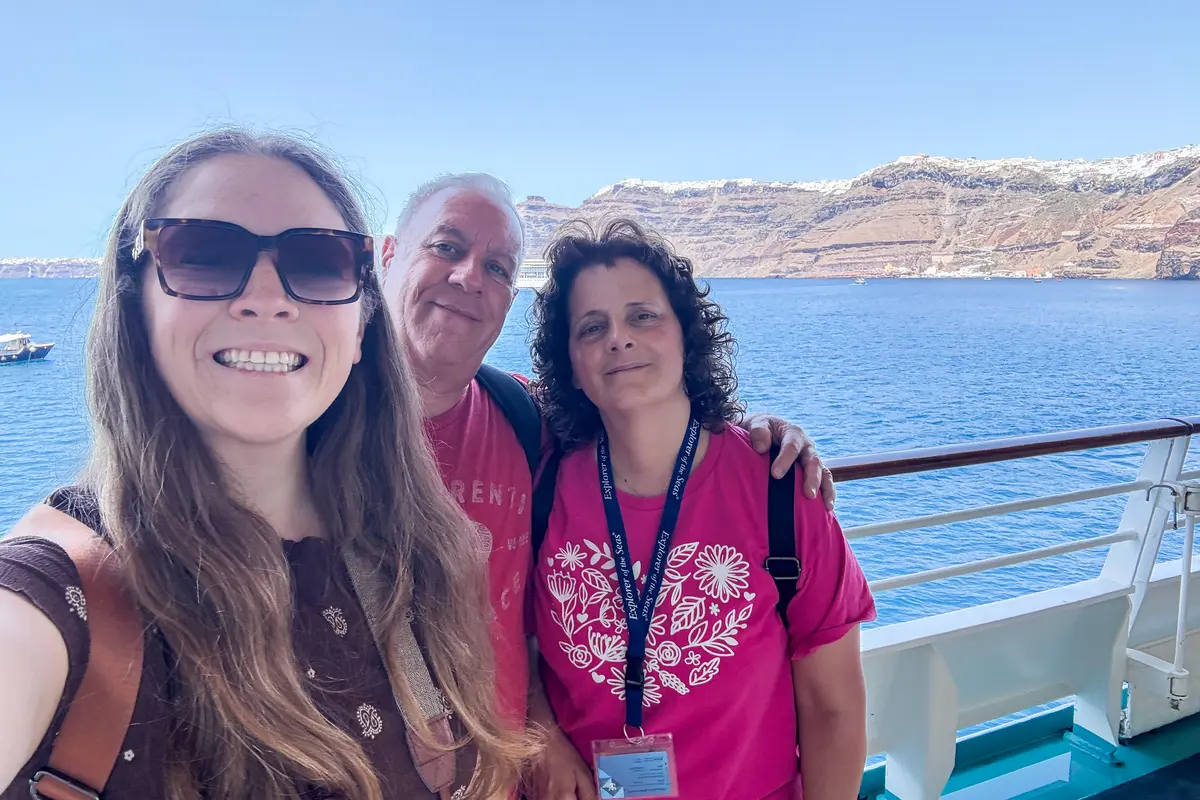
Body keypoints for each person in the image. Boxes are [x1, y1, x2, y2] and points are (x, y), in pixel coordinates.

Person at [0, 130, 528, 800]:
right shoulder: (61, 593)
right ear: (135, 302)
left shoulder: (407, 551)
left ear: (360, 319)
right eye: (204, 254)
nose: (267, 298)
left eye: (317, 262)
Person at [378, 175, 839, 787]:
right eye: (444, 247)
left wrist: (761, 437)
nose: (469, 277)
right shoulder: (301, 424)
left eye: (496, 265)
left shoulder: (522, 422)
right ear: (386, 255)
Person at [526, 219, 876, 800]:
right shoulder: (542, 487)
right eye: (592, 327)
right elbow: (520, 646)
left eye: (643, 315)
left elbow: (833, 708)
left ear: (687, 337)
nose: (619, 339)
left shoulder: (780, 490)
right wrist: (543, 738)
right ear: (571, 364)